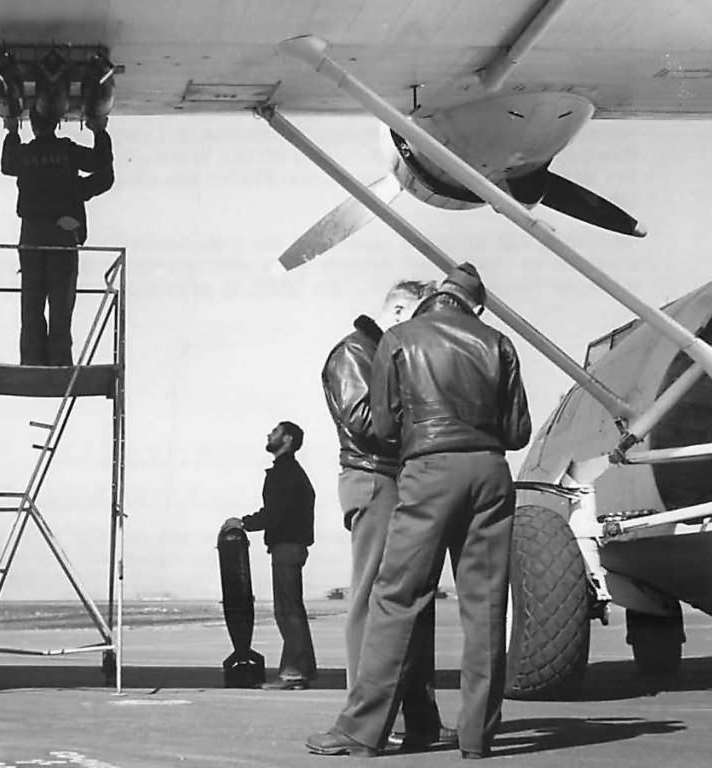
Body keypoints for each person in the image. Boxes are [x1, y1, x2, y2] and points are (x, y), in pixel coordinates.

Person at [308, 262, 531, 760]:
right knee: (486, 607)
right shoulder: (498, 342)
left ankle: (363, 730)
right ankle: (477, 737)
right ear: (475, 306)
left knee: (396, 597)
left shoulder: (399, 339)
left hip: (428, 472)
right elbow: (518, 431)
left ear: (433, 300)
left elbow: (385, 426)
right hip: (491, 472)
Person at [315, 278, 458, 754]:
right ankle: (366, 719)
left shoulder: (381, 352)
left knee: (410, 600)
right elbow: (364, 421)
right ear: (398, 312)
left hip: (395, 478)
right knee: (374, 598)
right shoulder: (355, 352)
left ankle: (419, 719)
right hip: (377, 478)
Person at [1, 110, 114, 366]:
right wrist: (100, 132)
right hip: (63, 233)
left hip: (31, 236)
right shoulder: (68, 152)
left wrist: (12, 133)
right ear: (57, 123)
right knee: (61, 309)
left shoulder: (27, 154)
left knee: (31, 307)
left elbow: (7, 165)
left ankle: (31, 365)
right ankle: (60, 365)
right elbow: (103, 170)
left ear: (33, 126)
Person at [224, 421, 317, 690]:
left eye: (275, 431)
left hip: (287, 546)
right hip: (290, 545)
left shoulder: (285, 472)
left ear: (287, 439)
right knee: (290, 609)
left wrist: (243, 522)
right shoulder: (290, 471)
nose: (269, 434)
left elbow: (275, 512)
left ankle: (294, 674)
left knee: (288, 611)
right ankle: (300, 671)